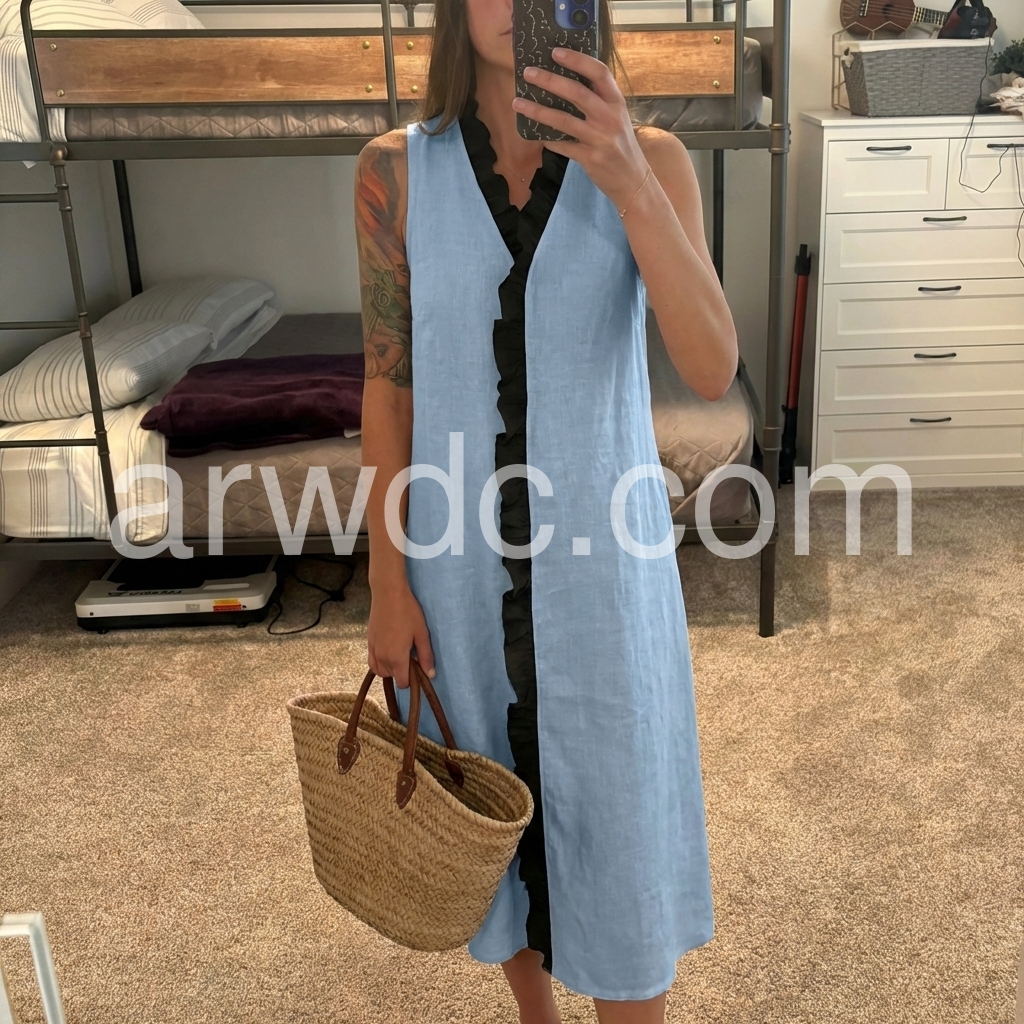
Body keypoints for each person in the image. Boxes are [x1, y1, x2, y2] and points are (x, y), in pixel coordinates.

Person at [356, 0, 737, 1018]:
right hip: (455, 572)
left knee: (618, 828)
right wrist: (387, 586)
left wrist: (626, 176)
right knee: (489, 810)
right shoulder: (394, 171)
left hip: (603, 575)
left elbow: (710, 368)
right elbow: (389, 388)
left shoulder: (654, 159)